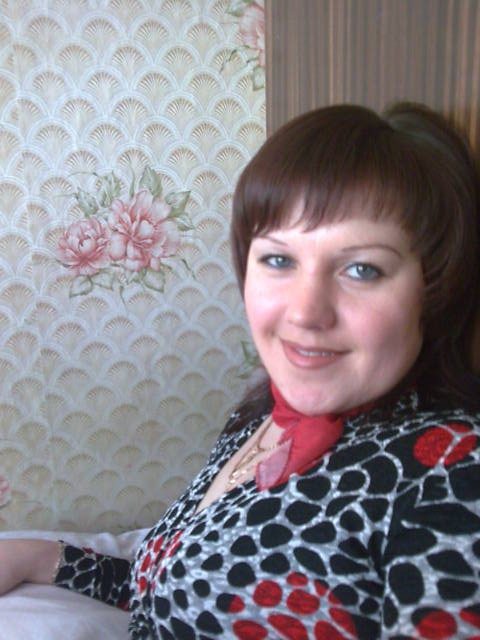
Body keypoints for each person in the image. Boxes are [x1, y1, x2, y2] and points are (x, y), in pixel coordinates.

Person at [1, 102, 480, 639]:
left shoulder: (452, 471)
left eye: (362, 269)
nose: (305, 313)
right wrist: (37, 558)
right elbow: (181, 590)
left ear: (433, 290)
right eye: (279, 260)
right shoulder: (260, 415)